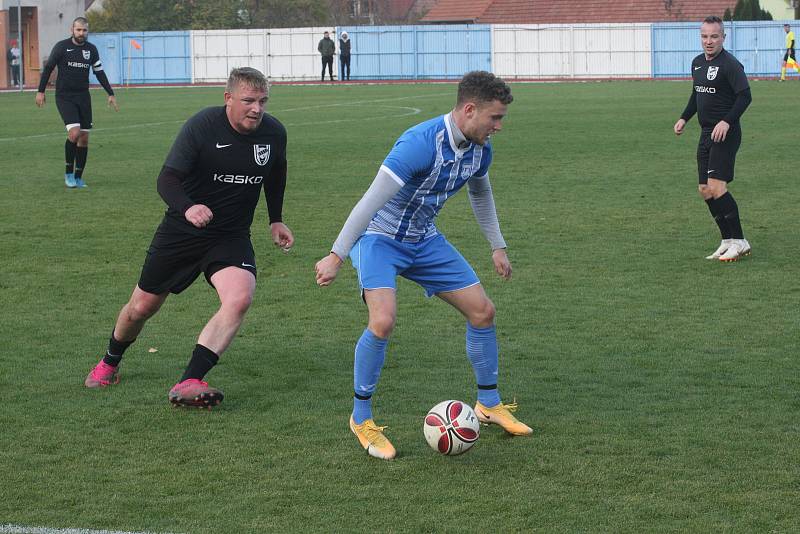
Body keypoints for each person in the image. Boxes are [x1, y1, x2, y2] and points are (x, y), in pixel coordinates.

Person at [315, 70, 532, 460]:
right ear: (469, 110)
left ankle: (487, 404)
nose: (499, 126)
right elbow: (369, 201)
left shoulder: (481, 149)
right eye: (495, 118)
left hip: (424, 239)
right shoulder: (419, 144)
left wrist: (497, 246)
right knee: (382, 321)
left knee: (483, 312)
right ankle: (361, 417)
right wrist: (337, 254)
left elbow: (481, 193)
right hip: (379, 239)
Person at [84, 67, 294, 409]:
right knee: (141, 307)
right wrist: (188, 207)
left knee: (240, 297)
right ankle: (110, 360)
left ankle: (190, 380)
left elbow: (277, 172)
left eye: (262, 101)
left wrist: (276, 219)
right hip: (182, 232)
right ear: (228, 98)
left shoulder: (273, 133)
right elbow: (166, 179)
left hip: (229, 235)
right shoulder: (202, 126)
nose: (257, 108)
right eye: (248, 101)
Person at [673, 16, 752, 262]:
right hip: (706, 134)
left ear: (723, 38)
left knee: (718, 187)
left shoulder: (730, 64)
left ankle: (740, 241)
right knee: (705, 190)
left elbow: (745, 97)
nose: (709, 41)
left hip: (725, 134)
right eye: (705, 36)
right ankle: (727, 240)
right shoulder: (697, 63)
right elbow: (696, 94)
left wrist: (726, 121)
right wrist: (684, 117)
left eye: (714, 36)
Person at [35, 17, 118, 189]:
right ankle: (68, 173)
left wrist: (110, 93)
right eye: (78, 30)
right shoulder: (61, 47)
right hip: (64, 96)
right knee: (74, 133)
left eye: (84, 30)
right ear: (71, 30)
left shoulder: (91, 50)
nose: (81, 33)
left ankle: (79, 177)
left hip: (83, 97)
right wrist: (41, 91)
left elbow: (99, 72)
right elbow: (49, 68)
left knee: (84, 138)